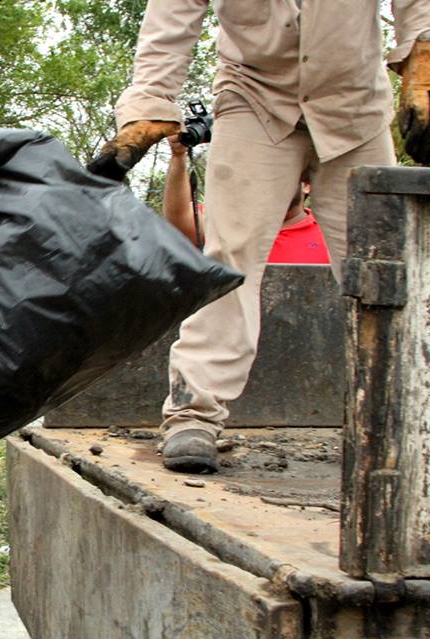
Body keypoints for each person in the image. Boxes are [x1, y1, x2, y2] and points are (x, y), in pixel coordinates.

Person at [88, 2, 430, 473]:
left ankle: (410, 413)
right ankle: (193, 414)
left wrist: (423, 51)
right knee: (229, 258)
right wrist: (148, 102)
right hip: (255, 100)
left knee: (384, 267)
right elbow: (172, 15)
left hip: (354, 103)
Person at [162, 136, 329, 264]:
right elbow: (179, 216)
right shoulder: (226, 221)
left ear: (306, 185)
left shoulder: (329, 235)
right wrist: (178, 156)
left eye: (282, 176)